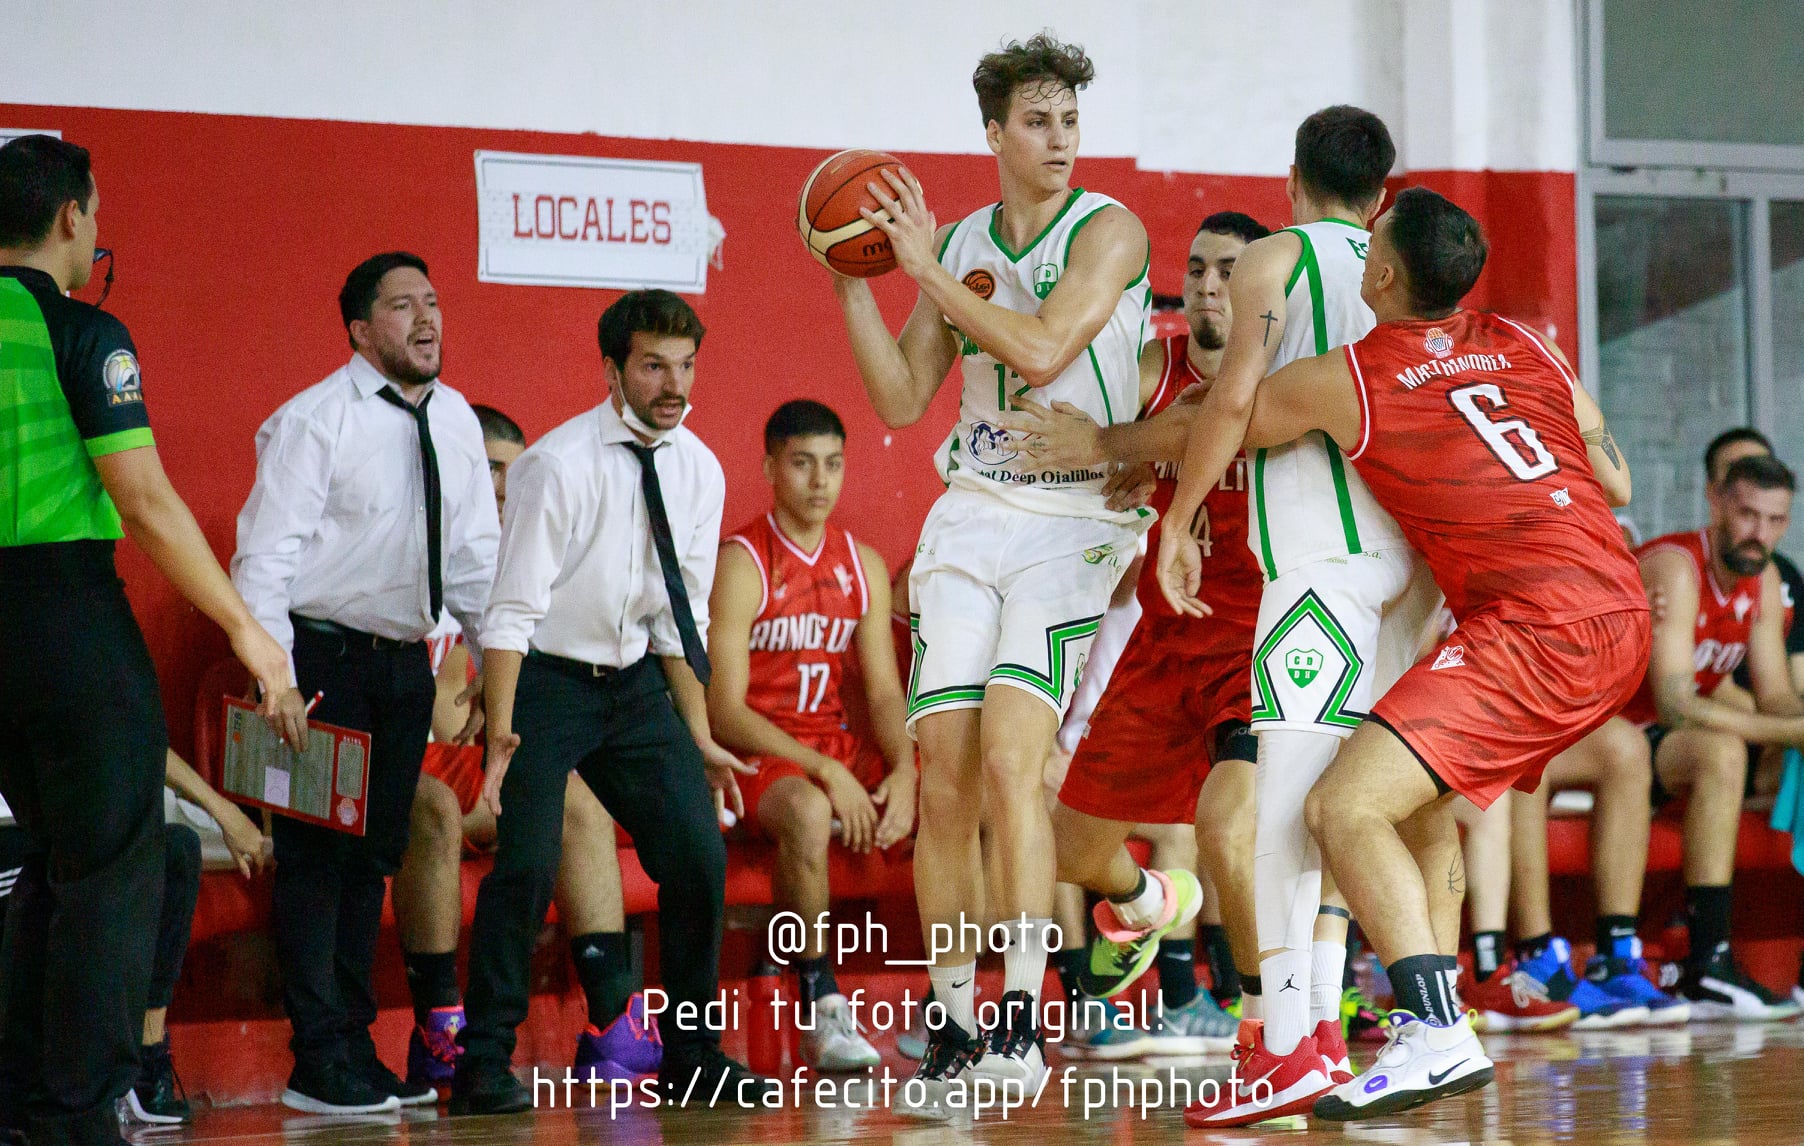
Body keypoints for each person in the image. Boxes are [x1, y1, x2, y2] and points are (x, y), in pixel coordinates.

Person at [1229, 186, 1644, 1119]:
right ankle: (1435, 1016)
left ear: (1378, 276)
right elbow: (1612, 477)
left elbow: (1226, 419)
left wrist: (1105, 441)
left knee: (1339, 804)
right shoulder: (1528, 343)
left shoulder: (1359, 374)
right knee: (1412, 805)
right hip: (1613, 606)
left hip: (1537, 628)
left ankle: (1435, 1031)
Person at [821, 34, 1157, 1115]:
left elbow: (1048, 347)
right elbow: (899, 401)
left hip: (1076, 522)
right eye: (1037, 122)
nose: (1059, 139)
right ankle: (956, 1023)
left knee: (1016, 762)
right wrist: (856, 288)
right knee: (947, 770)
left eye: (1069, 120)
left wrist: (922, 269)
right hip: (971, 513)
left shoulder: (1111, 228)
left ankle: (1023, 1013)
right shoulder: (961, 235)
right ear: (993, 134)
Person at [1153, 109, 1447, 1126]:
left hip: (1322, 562)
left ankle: (1281, 1049)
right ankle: (1319, 1020)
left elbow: (1231, 400)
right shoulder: (1405, 263)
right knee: (1342, 805)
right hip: (1410, 570)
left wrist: (1181, 515)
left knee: (1282, 809)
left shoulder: (1271, 261)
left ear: (1290, 180)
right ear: (1383, 190)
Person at [0, 134, 293, 1146]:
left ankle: (20, 1102)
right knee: (115, 869)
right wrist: (246, 632)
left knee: (46, 861)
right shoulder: (85, 333)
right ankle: (75, 1112)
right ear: (73, 216)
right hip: (64, 612)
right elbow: (147, 501)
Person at [453, 289, 762, 1114]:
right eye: (654, 365)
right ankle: (484, 1062)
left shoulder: (699, 467)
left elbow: (680, 619)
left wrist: (696, 732)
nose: (673, 383)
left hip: (633, 689)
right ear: (613, 369)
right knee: (522, 866)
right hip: (548, 682)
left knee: (698, 858)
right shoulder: (556, 465)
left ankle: (692, 1054)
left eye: (686, 365)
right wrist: (505, 736)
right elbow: (510, 613)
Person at [232, 251, 501, 1114]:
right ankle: (317, 1060)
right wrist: (274, 675)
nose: (427, 319)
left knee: (370, 862)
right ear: (358, 329)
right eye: (400, 307)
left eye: (433, 302)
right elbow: (263, 560)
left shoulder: (456, 417)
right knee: (317, 861)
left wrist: (500, 667)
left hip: (402, 668)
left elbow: (474, 564)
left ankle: (353, 1050)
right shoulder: (315, 421)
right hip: (317, 663)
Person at [1005, 211, 1272, 1054]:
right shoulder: (1148, 371)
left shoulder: (1281, 374)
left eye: (1227, 270)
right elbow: (1109, 458)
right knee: (1070, 847)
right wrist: (1106, 468)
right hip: (1158, 649)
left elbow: (1206, 424)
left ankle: (1271, 1022)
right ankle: (1157, 904)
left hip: (1253, 649)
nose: (1206, 285)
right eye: (1195, 269)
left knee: (1233, 830)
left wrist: (1116, 444)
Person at [392, 404, 650, 1092]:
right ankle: (439, 1028)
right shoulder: (411, 549)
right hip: (398, 767)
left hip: (484, 763)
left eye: (508, 470)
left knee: (580, 807)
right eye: (484, 470)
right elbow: (449, 720)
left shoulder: (546, 568)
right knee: (435, 806)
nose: (498, 487)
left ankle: (612, 1022)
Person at [708, 399, 917, 1071]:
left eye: (832, 464)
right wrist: (828, 774)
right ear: (771, 468)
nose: (819, 481)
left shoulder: (864, 564)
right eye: (802, 464)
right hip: (759, 752)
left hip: (831, 743)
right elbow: (723, 710)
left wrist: (907, 770)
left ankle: (956, 1004)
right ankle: (822, 1005)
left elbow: (884, 691)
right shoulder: (742, 561)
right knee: (806, 809)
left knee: (955, 789)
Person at [1617, 452, 1804, 1020]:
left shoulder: (1764, 577)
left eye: (1775, 521)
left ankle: (1713, 965)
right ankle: (1709, 958)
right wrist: (1785, 731)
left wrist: (1793, 723)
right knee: (1721, 752)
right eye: (1748, 515)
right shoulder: (1677, 565)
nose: (1760, 534)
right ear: (1715, 500)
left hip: (1657, 747)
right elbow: (1675, 705)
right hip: (1611, 733)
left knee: (1729, 746)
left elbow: (1775, 693)